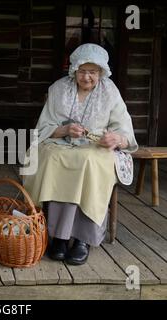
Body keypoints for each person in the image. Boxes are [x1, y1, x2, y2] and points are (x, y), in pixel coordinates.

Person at [23, 43, 138, 265]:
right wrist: (64, 130)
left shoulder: (110, 92)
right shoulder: (58, 89)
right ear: (74, 69)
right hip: (61, 144)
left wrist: (115, 138)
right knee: (52, 158)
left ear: (101, 72)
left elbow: (124, 132)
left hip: (97, 149)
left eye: (92, 72)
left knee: (87, 161)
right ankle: (58, 237)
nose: (87, 77)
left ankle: (82, 240)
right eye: (82, 71)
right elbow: (42, 129)